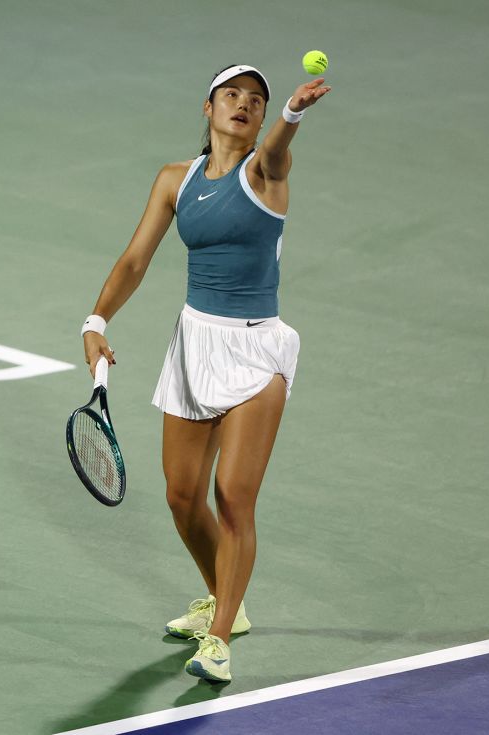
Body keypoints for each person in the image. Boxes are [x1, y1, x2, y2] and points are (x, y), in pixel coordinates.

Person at [80, 64, 331, 683]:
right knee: (183, 495)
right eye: (232, 96)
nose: (245, 105)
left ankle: (220, 639)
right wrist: (96, 321)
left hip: (256, 353)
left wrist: (291, 115)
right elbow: (136, 258)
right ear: (208, 107)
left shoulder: (266, 172)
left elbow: (276, 147)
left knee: (233, 497)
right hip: (194, 344)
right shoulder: (176, 179)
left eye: (257, 100)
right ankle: (226, 599)